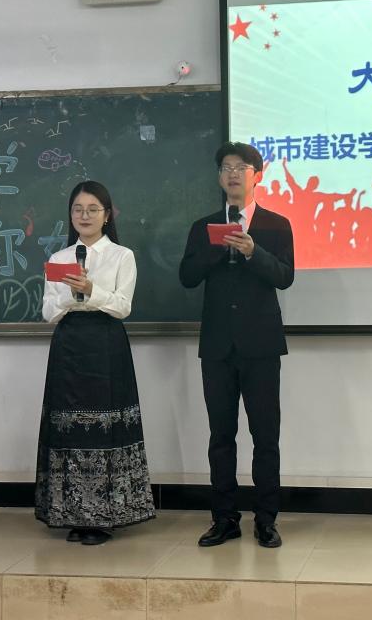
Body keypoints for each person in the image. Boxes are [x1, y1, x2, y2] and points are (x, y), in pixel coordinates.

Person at [179, 142, 295, 548]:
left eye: (240, 167)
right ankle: (225, 518)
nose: (232, 173)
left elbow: (284, 276)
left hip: (261, 346)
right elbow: (187, 276)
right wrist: (217, 251)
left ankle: (266, 519)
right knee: (220, 437)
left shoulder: (276, 225)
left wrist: (252, 251)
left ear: (256, 175)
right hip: (217, 347)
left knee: (265, 436)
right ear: (219, 177)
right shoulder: (203, 227)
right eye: (225, 168)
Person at [35, 180, 155, 545]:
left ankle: (105, 516)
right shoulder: (59, 259)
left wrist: (91, 291)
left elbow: (123, 306)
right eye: (78, 210)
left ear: (106, 216)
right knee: (69, 427)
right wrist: (71, 297)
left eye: (92, 210)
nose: (84, 216)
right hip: (68, 345)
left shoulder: (121, 256)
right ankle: (73, 514)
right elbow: (48, 313)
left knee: (106, 426)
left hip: (106, 343)